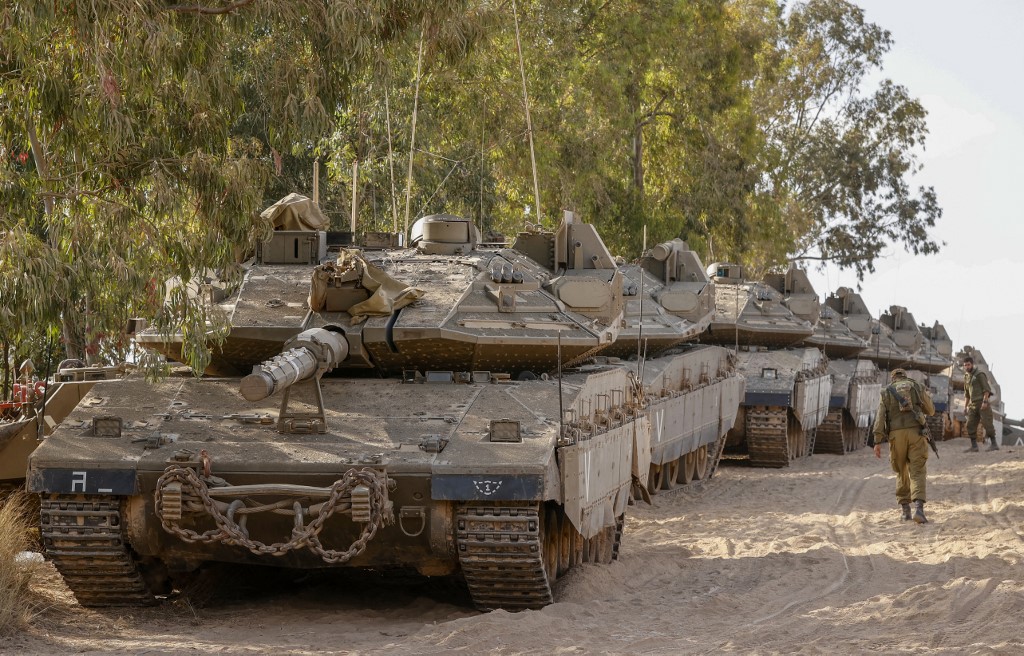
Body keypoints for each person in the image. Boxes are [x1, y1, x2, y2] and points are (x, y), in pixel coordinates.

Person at [873, 368, 936, 523]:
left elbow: (880, 416)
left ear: (893, 378)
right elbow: (931, 410)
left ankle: (905, 512)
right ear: (905, 377)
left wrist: (877, 441)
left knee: (901, 471)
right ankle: (919, 510)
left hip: (896, 436)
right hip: (916, 434)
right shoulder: (916, 386)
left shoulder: (886, 391)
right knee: (918, 470)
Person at [962, 356, 998, 452]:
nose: (967, 367)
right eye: (965, 365)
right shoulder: (966, 376)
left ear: (972, 364)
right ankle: (974, 446)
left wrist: (985, 402)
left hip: (982, 403)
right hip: (972, 405)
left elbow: (986, 389)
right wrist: (965, 407)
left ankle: (994, 444)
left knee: (987, 423)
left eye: (968, 365)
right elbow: (967, 394)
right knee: (970, 424)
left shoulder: (979, 374)